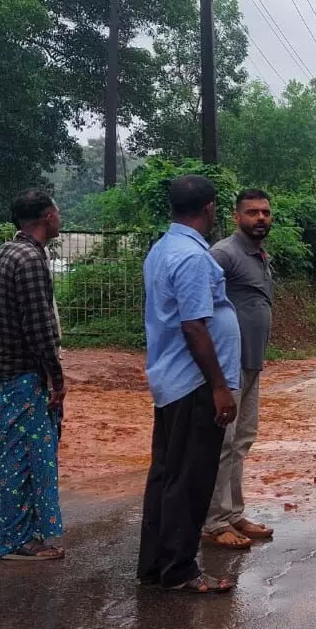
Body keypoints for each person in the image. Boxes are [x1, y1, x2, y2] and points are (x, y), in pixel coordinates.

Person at [137, 174, 242, 594]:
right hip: (192, 384)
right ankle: (180, 570)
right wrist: (219, 386)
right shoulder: (193, 258)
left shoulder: (162, 249)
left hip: (171, 381)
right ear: (210, 209)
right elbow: (195, 327)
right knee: (191, 478)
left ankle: (155, 564)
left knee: (166, 473)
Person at [0, 189, 67, 561]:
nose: (60, 215)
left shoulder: (2, 253)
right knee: (26, 457)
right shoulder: (29, 260)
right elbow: (40, 329)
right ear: (46, 216)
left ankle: (3, 533)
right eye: (56, 210)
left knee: (6, 453)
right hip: (28, 375)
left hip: (7, 373)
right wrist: (57, 380)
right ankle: (19, 540)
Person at [202, 189, 277, 550]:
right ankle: (214, 521)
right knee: (223, 443)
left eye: (265, 212)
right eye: (252, 212)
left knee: (242, 441)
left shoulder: (259, 254)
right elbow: (199, 309)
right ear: (236, 217)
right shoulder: (223, 254)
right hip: (226, 367)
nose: (260, 218)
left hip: (251, 363)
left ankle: (233, 514)